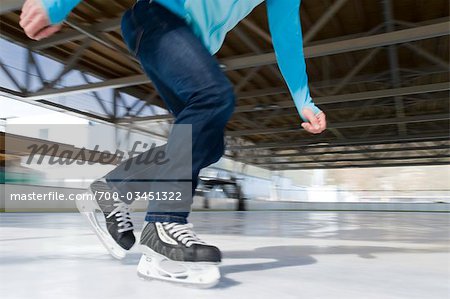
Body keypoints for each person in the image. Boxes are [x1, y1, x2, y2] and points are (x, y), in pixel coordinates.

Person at [20, 0, 327, 287]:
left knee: (207, 144)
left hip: (188, 43)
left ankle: (113, 190)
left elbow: (287, 34)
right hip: (158, 17)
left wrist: (304, 101)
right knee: (213, 97)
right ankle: (164, 223)